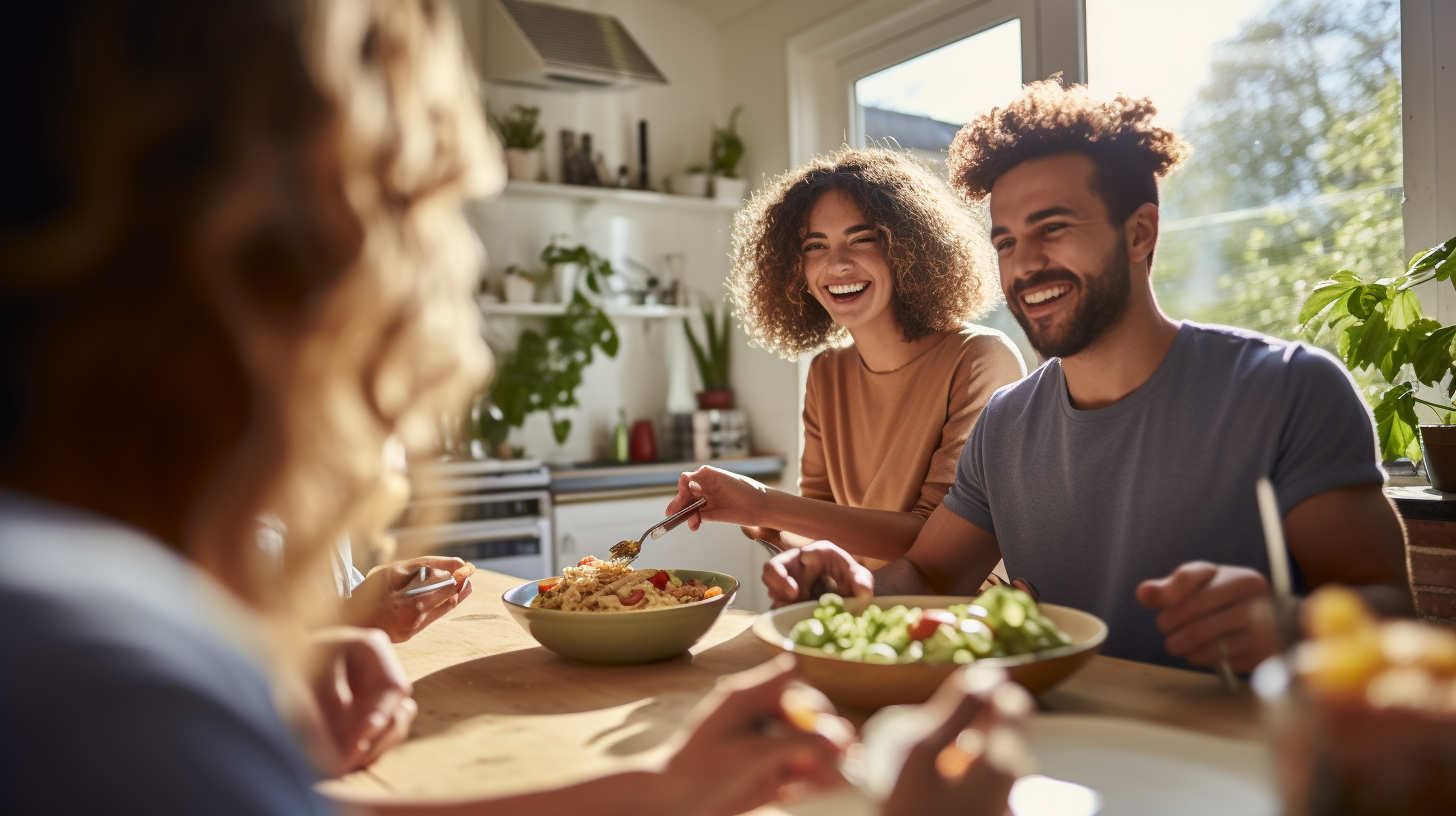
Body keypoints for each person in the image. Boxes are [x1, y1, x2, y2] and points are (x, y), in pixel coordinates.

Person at [0, 1, 1028, 814]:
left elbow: (934, 555)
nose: (429, 301)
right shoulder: (101, 677)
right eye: (403, 208)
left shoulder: (91, 619)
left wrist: (658, 793)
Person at [764, 77, 1413, 673]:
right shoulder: (1007, 424)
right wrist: (850, 582)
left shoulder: (1289, 389)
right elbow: (934, 577)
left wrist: (1293, 627)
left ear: (1140, 232)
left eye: (1054, 228)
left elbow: (1391, 612)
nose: (1026, 265)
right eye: (1007, 241)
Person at [665, 147, 1025, 569]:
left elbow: (934, 540)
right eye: (815, 246)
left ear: (908, 247)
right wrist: (757, 521)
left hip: (959, 620)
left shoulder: (980, 358)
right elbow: (817, 528)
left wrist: (763, 505)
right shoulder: (826, 372)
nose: (837, 264)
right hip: (858, 615)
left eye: (862, 239)